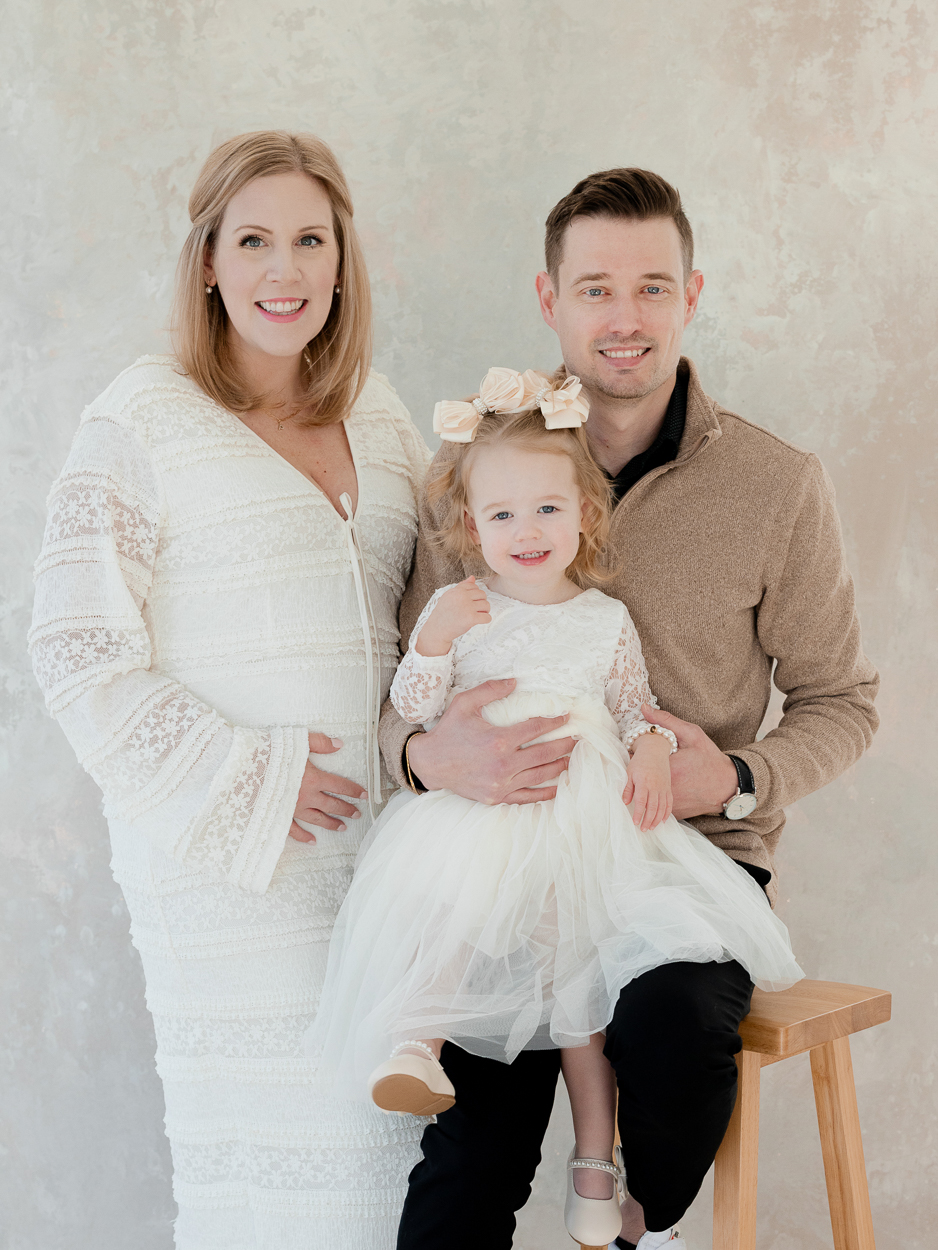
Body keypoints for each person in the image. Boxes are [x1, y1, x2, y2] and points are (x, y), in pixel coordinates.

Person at [379, 170, 880, 1250]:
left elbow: (842, 699)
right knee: (473, 1141)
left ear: (690, 294)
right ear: (547, 298)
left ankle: (624, 1213)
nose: (622, 317)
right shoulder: (468, 479)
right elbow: (395, 681)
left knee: (671, 1026)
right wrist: (426, 756)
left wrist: (735, 775)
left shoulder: (772, 481)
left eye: (650, 287)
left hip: (680, 857)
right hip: (507, 856)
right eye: (594, 287)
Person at [29, 130, 430, 1250]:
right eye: (252, 239)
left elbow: (429, 618)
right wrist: (252, 772)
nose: (282, 270)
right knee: (280, 1189)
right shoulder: (140, 420)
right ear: (207, 260)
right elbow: (74, 649)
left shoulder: (385, 420)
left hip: (387, 870)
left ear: (342, 262)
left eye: (309, 239)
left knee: (399, 1184)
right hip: (233, 872)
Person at [308, 372, 803, 1246]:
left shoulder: (607, 615)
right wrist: (429, 649)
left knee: (590, 1004)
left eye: (545, 511)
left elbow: (632, 709)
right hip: (485, 820)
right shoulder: (462, 607)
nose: (524, 531)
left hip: (588, 834)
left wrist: (660, 751)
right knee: (464, 934)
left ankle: (599, 1174)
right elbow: (409, 705)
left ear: (583, 514)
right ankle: (415, 1045)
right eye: (500, 517)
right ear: (470, 527)